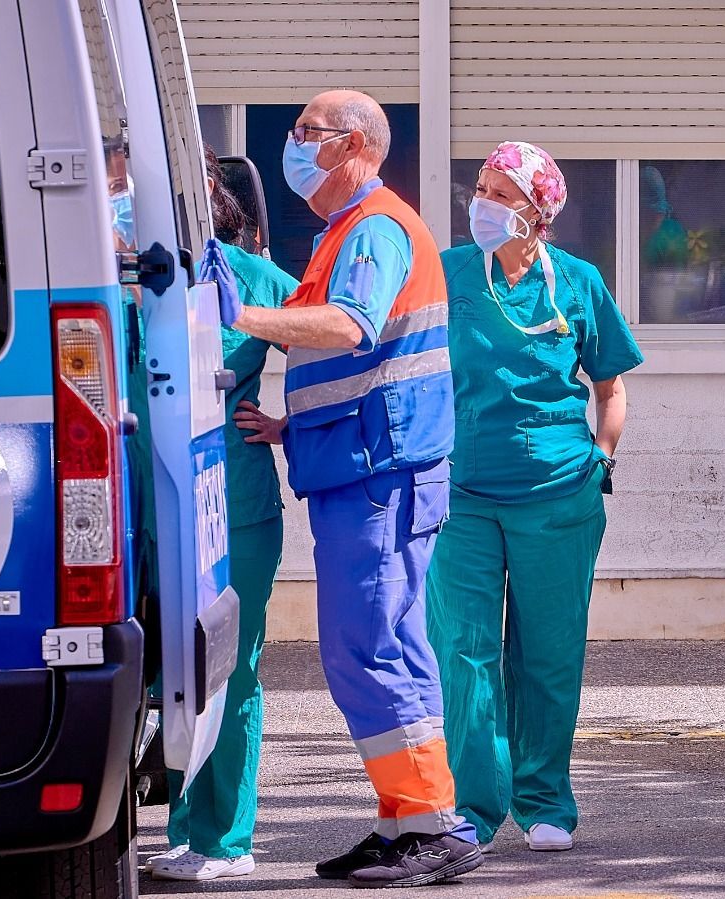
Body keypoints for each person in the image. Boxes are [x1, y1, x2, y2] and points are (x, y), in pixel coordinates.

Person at [201, 90, 482, 888]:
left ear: (352, 143)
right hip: (361, 466)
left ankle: (431, 824)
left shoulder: (374, 228)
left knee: (374, 645)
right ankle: (404, 821)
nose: (294, 144)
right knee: (373, 646)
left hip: (379, 475)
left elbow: (351, 327)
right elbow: (361, 362)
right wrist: (296, 426)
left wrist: (247, 315)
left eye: (306, 132)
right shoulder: (346, 232)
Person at [425, 142, 642, 853]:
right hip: (462, 497)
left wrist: (600, 460)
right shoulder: (449, 273)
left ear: (538, 212)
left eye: (499, 191)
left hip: (559, 496)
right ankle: (475, 806)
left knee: (548, 652)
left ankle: (546, 799)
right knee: (466, 650)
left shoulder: (576, 282)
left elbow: (611, 387)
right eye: (480, 185)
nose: (481, 201)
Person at [147, 147, 297, 882]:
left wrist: (290, 425)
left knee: (231, 671)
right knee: (176, 670)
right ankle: (186, 826)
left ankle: (229, 839)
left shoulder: (255, 278)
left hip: (236, 508)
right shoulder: (141, 282)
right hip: (158, 510)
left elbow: (347, 342)